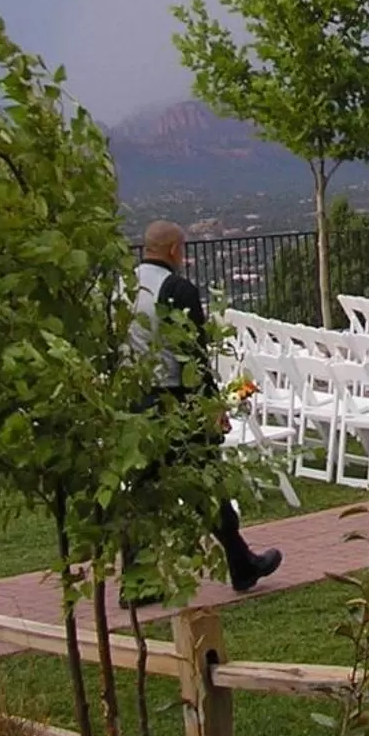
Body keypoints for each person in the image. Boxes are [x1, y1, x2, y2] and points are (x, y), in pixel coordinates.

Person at [126, 221, 281, 600]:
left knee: (142, 490)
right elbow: (191, 354)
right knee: (206, 483)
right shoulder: (176, 289)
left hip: (136, 401)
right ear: (175, 251)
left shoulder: (123, 288)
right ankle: (242, 566)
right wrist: (211, 406)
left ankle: (138, 582)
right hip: (176, 401)